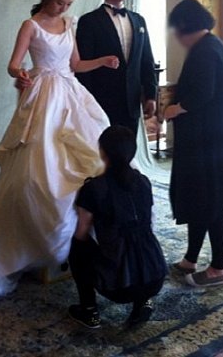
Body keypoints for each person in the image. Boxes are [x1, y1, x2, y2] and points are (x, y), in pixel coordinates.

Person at [0, 0, 120, 297]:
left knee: (91, 154)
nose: (63, 8)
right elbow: (13, 64)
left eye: (68, 3)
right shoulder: (30, 26)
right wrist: (20, 73)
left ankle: (84, 239)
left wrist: (102, 60)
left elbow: (75, 64)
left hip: (71, 94)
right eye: (60, 2)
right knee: (39, 166)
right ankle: (31, 239)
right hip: (43, 95)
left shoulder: (69, 24)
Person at [164, 0, 223, 288]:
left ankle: (218, 269)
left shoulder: (205, 52)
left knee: (213, 206)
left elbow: (202, 94)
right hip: (210, 142)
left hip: (211, 146)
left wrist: (175, 108)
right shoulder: (212, 46)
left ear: (185, 27)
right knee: (200, 203)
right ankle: (190, 259)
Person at [68, 126, 167, 328]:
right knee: (139, 238)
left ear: (102, 152)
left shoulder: (93, 188)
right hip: (156, 276)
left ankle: (89, 311)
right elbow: (148, 222)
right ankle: (143, 302)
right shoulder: (143, 182)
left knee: (77, 247)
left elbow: (82, 233)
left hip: (118, 286)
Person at [75, 0, 157, 137]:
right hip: (101, 103)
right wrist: (86, 103)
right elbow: (83, 67)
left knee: (128, 150)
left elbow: (146, 60)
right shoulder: (89, 21)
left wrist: (151, 95)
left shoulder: (138, 20)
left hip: (132, 103)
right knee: (101, 151)